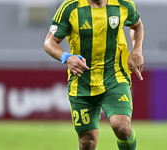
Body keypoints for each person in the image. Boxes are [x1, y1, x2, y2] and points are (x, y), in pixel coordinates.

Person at [44, 0, 144, 149]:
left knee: (122, 127)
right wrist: (66, 57)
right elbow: (49, 42)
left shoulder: (123, 4)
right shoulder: (70, 7)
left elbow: (137, 26)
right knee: (87, 141)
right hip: (82, 81)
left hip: (114, 76)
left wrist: (137, 50)